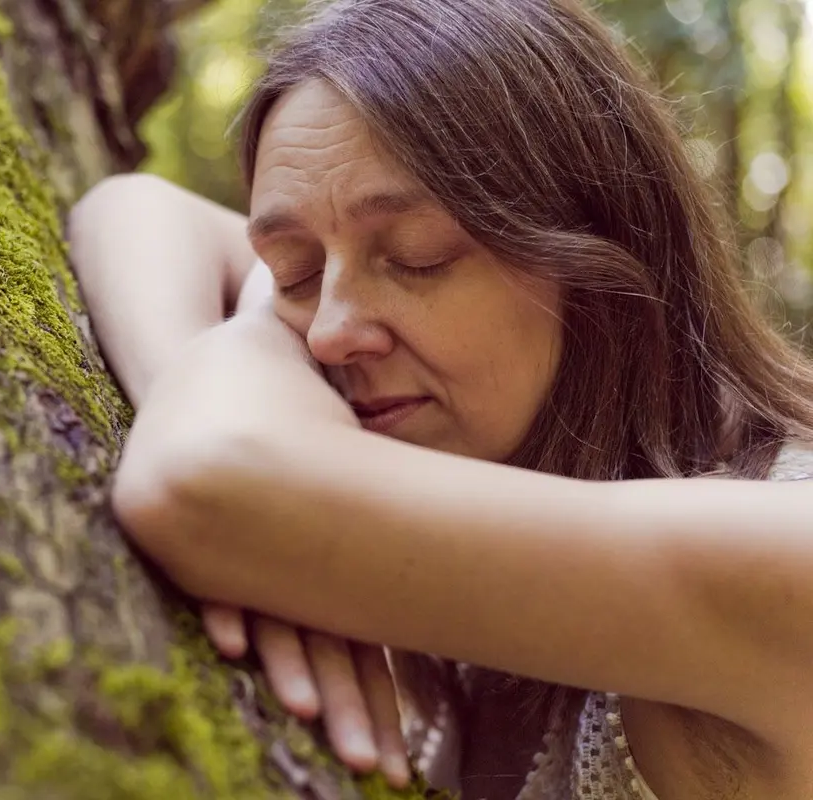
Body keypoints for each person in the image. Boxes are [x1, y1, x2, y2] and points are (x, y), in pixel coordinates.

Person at [66, 0, 813, 797]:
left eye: (416, 258)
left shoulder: (784, 551)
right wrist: (247, 410)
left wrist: (267, 454)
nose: (325, 336)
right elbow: (132, 209)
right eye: (296, 271)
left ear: (603, 260)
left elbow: (201, 478)